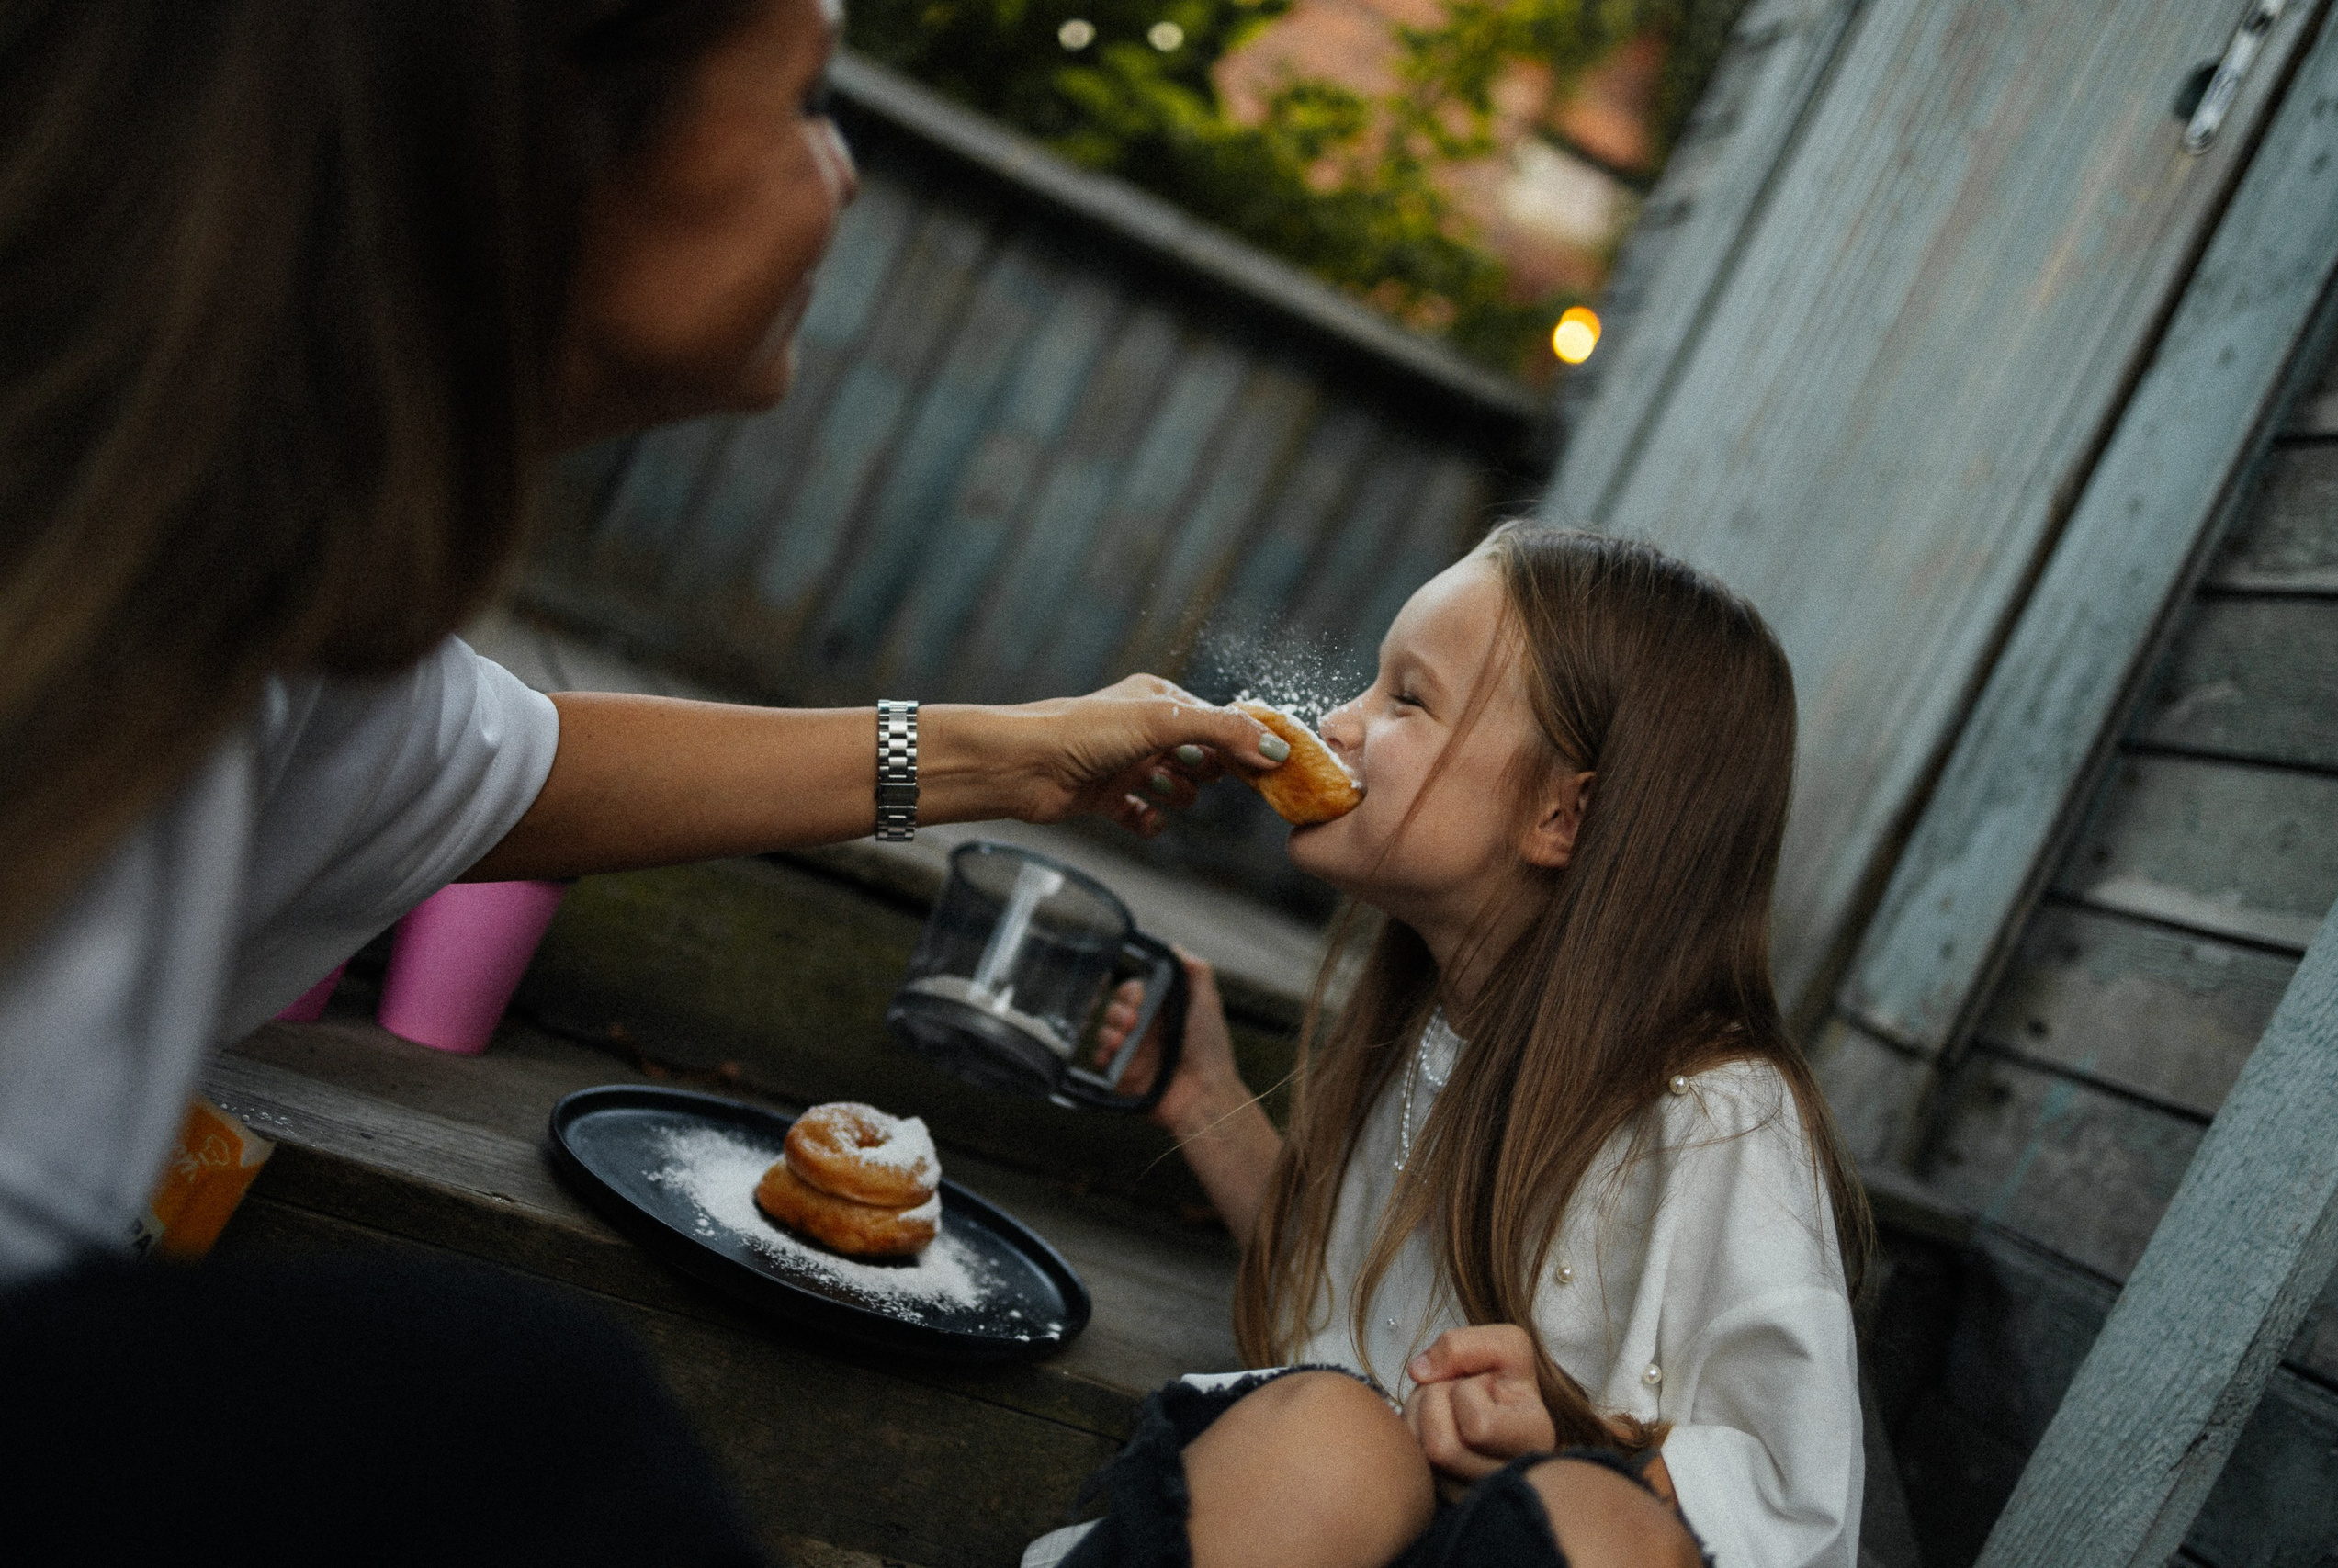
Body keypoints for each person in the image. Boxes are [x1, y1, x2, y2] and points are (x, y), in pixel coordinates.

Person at [0, 0, 1280, 1558]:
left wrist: (1011, 756)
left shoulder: (249, 559)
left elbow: (517, 773)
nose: (847, 177)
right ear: (535, 143)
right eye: (809, 99)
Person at [1049, 525, 1872, 1568]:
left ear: (1561, 816)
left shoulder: (1717, 1119)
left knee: (1564, 1516)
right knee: (1332, 1440)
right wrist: (1202, 1096)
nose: (1338, 723)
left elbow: (1799, 1500)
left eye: (1406, 699)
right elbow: (1342, 1329)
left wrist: (1577, 1452)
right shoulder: (1430, 1039)